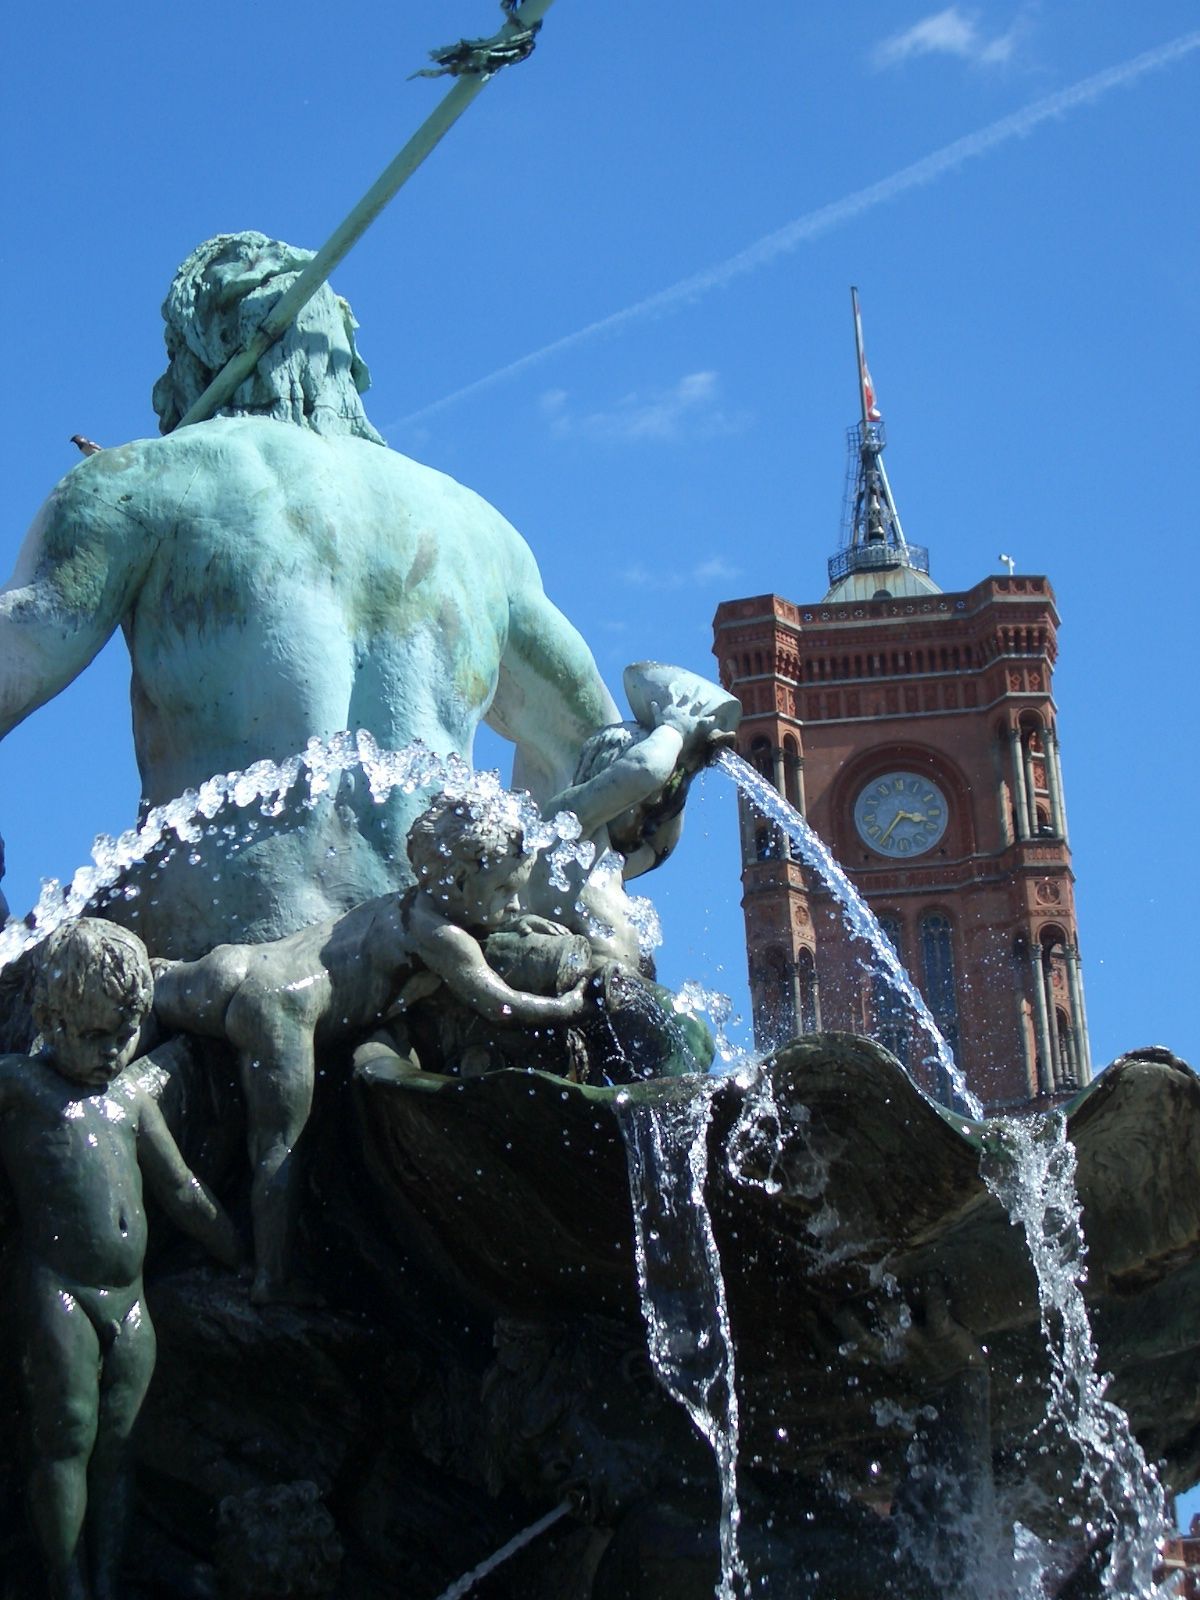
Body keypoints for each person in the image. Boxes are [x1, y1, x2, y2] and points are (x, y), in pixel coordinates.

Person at [0, 232, 619, 959]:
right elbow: (604, 769)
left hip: (211, 974)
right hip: (434, 972)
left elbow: (23, 651)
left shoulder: (140, 483)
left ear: (204, 344)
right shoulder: (481, 533)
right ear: (342, 360)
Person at [153, 789, 589, 1303]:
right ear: (459, 879)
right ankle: (270, 1280)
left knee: (153, 1000)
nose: (513, 903)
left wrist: (512, 920)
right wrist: (568, 1008)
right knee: (278, 1145)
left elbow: (477, 915)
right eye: (504, 891)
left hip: (239, 965)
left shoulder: (408, 900)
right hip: (283, 1010)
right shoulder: (440, 937)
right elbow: (500, 1005)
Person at [0, 918, 242, 1600]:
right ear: (53, 1018)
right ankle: (65, 1582)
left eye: (126, 1034)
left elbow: (185, 1194)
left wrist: (249, 1261)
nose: (114, 1052)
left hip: (131, 1301)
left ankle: (106, 1581)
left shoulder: (129, 1100)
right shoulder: (20, 1086)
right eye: (97, 1034)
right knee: (68, 1431)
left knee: (120, 1443)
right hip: (59, 1291)